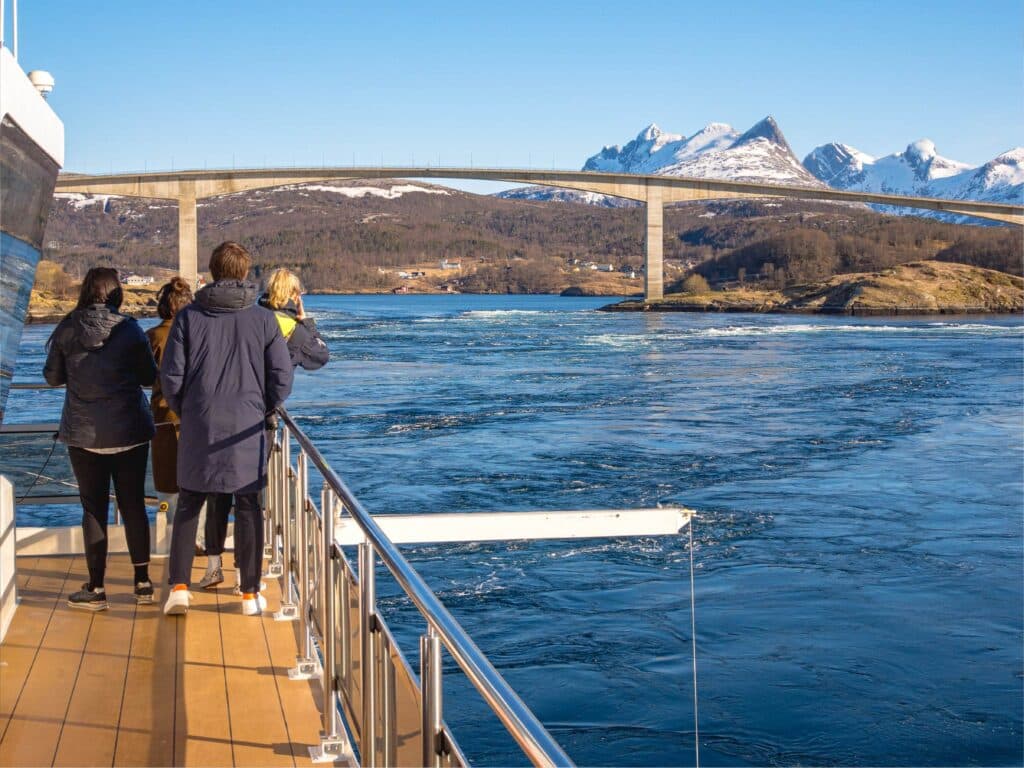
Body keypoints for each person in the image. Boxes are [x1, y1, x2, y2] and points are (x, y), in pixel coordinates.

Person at [160, 241, 293, 616]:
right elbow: (282, 377)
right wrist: (262, 407)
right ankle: (250, 593)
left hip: (199, 425)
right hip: (247, 429)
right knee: (249, 506)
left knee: (189, 503)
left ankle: (180, 589)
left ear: (214, 270)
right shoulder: (264, 320)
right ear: (244, 273)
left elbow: (171, 377)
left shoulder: (187, 318)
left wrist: (189, 409)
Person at [43, 267, 157, 610]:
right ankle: (142, 584)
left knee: (93, 508)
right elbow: (150, 378)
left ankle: (95, 589)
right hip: (130, 431)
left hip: (84, 434)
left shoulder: (67, 329)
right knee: (133, 505)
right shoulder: (130, 330)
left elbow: (52, 378)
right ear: (116, 293)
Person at [257, 268, 329, 371]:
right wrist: (306, 322)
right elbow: (322, 356)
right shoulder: (297, 332)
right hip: (273, 385)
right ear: (295, 296)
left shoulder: (250, 319)